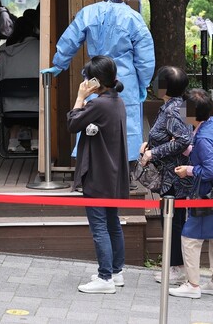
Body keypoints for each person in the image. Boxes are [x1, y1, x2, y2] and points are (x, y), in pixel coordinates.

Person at [43, 0, 155, 162]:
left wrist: (59, 64)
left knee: (91, 118)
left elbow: (70, 39)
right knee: (125, 124)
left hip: (95, 76)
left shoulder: (89, 12)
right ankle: (124, 173)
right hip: (125, 79)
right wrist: (144, 83)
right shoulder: (133, 18)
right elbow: (145, 57)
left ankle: (91, 167)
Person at [69, 56, 129, 293]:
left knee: (100, 227)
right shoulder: (117, 101)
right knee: (113, 223)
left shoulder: (98, 104)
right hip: (114, 173)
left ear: (95, 81)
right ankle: (116, 271)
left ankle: (105, 278)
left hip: (98, 172)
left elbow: (72, 123)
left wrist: (80, 97)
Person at [169, 89, 213, 298]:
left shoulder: (204, 137)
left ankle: (193, 284)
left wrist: (188, 170)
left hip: (209, 194)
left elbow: (210, 169)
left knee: (190, 237)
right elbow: (211, 153)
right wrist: (189, 150)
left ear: (191, 113)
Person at [141, 67, 194, 285]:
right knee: (173, 218)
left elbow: (183, 139)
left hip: (174, 174)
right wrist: (150, 144)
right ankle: (175, 265)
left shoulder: (173, 110)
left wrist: (154, 152)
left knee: (173, 220)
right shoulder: (179, 105)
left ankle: (177, 267)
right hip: (174, 173)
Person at [0, 12, 41, 152]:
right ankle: (36, 142)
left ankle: (12, 143)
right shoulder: (40, 48)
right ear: (33, 29)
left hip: (10, 107)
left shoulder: (7, 51)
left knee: (14, 101)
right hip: (36, 106)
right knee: (34, 100)